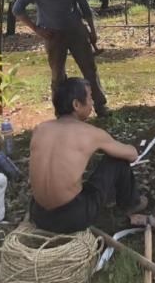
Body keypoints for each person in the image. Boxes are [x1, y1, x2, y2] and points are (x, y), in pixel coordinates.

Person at [29, 78, 146, 233]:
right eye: (90, 98)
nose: (92, 103)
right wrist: (130, 147)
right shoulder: (91, 133)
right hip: (72, 218)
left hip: (39, 215)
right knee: (117, 161)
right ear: (76, 105)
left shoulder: (40, 129)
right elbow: (131, 155)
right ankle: (131, 204)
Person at [13, 0, 108, 117]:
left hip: (76, 31)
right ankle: (62, 113)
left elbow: (84, 7)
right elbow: (17, 9)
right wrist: (37, 29)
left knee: (89, 70)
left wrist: (92, 31)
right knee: (58, 76)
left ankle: (100, 106)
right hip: (53, 35)